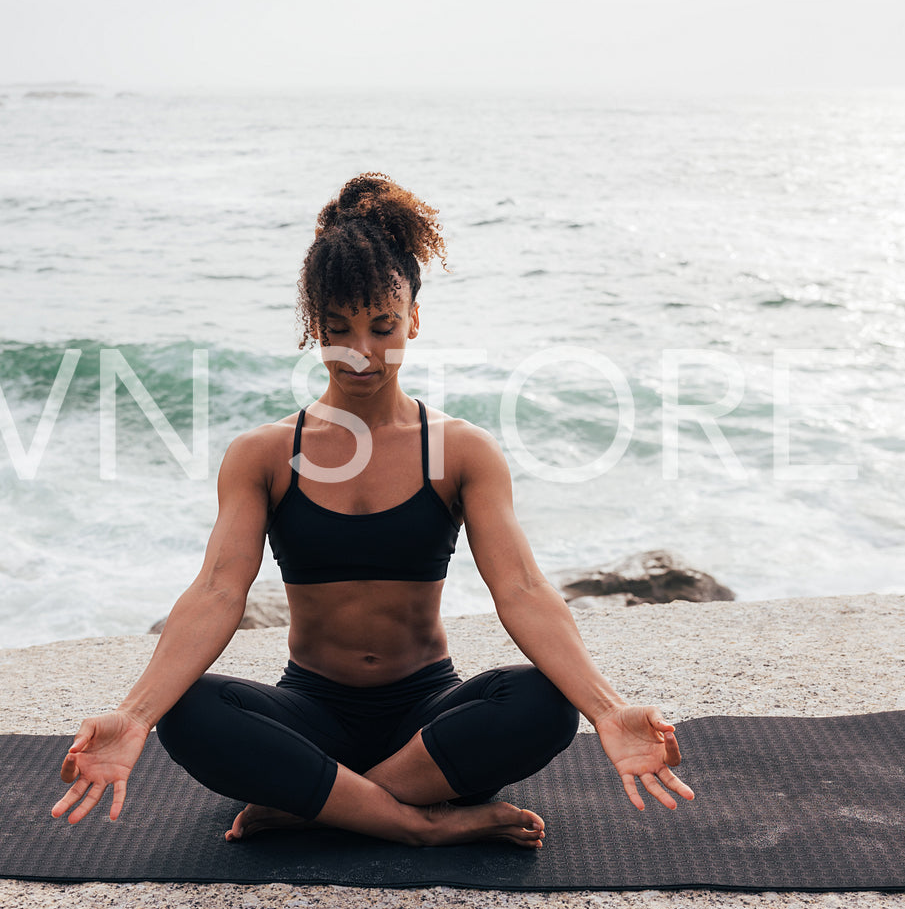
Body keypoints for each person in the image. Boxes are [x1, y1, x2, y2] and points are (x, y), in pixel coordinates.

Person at [51, 172, 695, 848]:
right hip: (308, 710)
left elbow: (523, 589)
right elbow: (217, 590)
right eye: (338, 330)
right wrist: (133, 715)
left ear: (413, 318)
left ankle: (318, 803)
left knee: (541, 703)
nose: (361, 353)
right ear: (314, 329)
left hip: (427, 721)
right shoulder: (264, 455)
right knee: (187, 713)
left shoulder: (461, 451)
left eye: (382, 327)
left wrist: (609, 710)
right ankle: (418, 824)